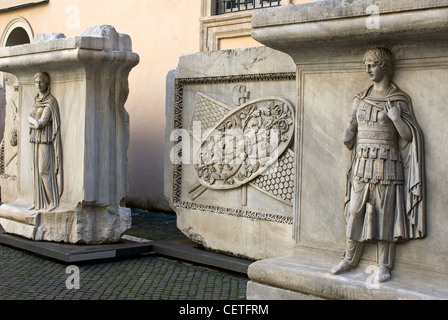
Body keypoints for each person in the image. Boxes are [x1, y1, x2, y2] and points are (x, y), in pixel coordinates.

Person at [331, 48, 425, 282]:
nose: (368, 69)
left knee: (385, 214)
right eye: (366, 64)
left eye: (372, 64)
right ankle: (349, 258)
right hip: (363, 161)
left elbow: (409, 137)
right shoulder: (360, 98)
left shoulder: (399, 99)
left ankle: (383, 265)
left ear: (385, 66)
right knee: (355, 211)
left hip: (388, 162)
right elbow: (349, 131)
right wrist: (349, 130)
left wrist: (395, 118)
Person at [28, 72, 63, 212]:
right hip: (35, 139)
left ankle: (53, 201)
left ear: (47, 83)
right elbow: (29, 117)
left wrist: (34, 122)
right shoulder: (36, 100)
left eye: (41, 82)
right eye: (36, 82)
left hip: (45, 140)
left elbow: (41, 123)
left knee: (44, 171)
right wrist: (34, 122)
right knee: (36, 170)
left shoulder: (50, 101)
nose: (38, 85)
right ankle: (39, 203)